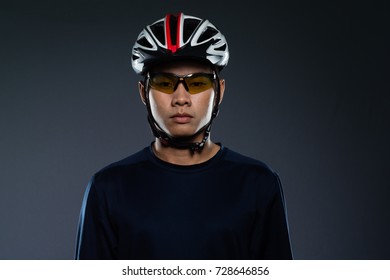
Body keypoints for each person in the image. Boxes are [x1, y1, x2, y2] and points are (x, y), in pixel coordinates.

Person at [75, 12, 293, 260]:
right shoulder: (108, 188)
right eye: (165, 84)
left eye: (198, 83)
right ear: (143, 93)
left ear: (218, 91)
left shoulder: (258, 183)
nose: (180, 98)